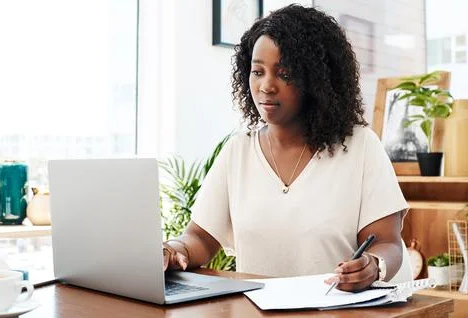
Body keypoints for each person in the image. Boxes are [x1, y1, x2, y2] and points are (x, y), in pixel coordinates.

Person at [162, 4, 412, 292]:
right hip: (260, 311)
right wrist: (173, 250)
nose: (266, 86)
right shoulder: (238, 150)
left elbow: (386, 242)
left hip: (340, 311)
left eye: (285, 74)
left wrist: (373, 265)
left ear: (317, 80)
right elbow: (201, 238)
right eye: (257, 72)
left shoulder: (360, 146)